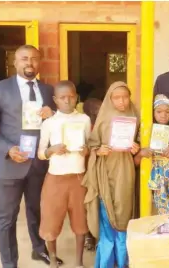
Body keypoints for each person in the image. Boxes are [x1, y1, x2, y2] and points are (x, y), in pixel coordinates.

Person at [0, 45, 64, 267]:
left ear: (40, 63)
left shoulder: (47, 91)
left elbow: (57, 125)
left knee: (36, 210)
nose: (30, 63)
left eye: (34, 59)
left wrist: (53, 114)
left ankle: (38, 249)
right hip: (10, 164)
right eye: (24, 59)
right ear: (15, 63)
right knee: (7, 218)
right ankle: (9, 263)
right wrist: (8, 148)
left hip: (39, 164)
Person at [82, 81, 140, 268]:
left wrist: (136, 148)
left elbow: (140, 142)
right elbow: (92, 144)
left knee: (124, 215)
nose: (122, 101)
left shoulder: (135, 115)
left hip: (126, 173)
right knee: (107, 216)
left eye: (125, 97)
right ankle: (106, 263)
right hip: (105, 173)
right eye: (117, 97)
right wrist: (99, 151)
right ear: (110, 99)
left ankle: (122, 262)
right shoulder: (104, 117)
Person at [37, 81, 91, 268]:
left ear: (76, 97)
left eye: (71, 96)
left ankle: (79, 262)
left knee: (80, 221)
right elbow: (40, 153)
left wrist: (86, 151)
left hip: (78, 178)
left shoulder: (84, 119)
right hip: (55, 179)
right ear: (55, 100)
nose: (67, 100)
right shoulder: (49, 123)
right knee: (51, 220)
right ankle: (52, 260)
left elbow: (89, 146)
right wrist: (52, 150)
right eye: (62, 97)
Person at [135, 94, 169, 214]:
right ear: (153, 112)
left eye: (167, 112)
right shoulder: (145, 132)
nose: (163, 115)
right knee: (160, 222)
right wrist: (140, 154)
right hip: (157, 186)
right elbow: (134, 163)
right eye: (159, 111)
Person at [82, 97, 103, 251]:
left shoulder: (104, 124)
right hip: (86, 169)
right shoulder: (84, 125)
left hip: (102, 168)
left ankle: (97, 234)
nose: (98, 111)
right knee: (88, 202)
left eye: (100, 108)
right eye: (94, 109)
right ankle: (89, 235)